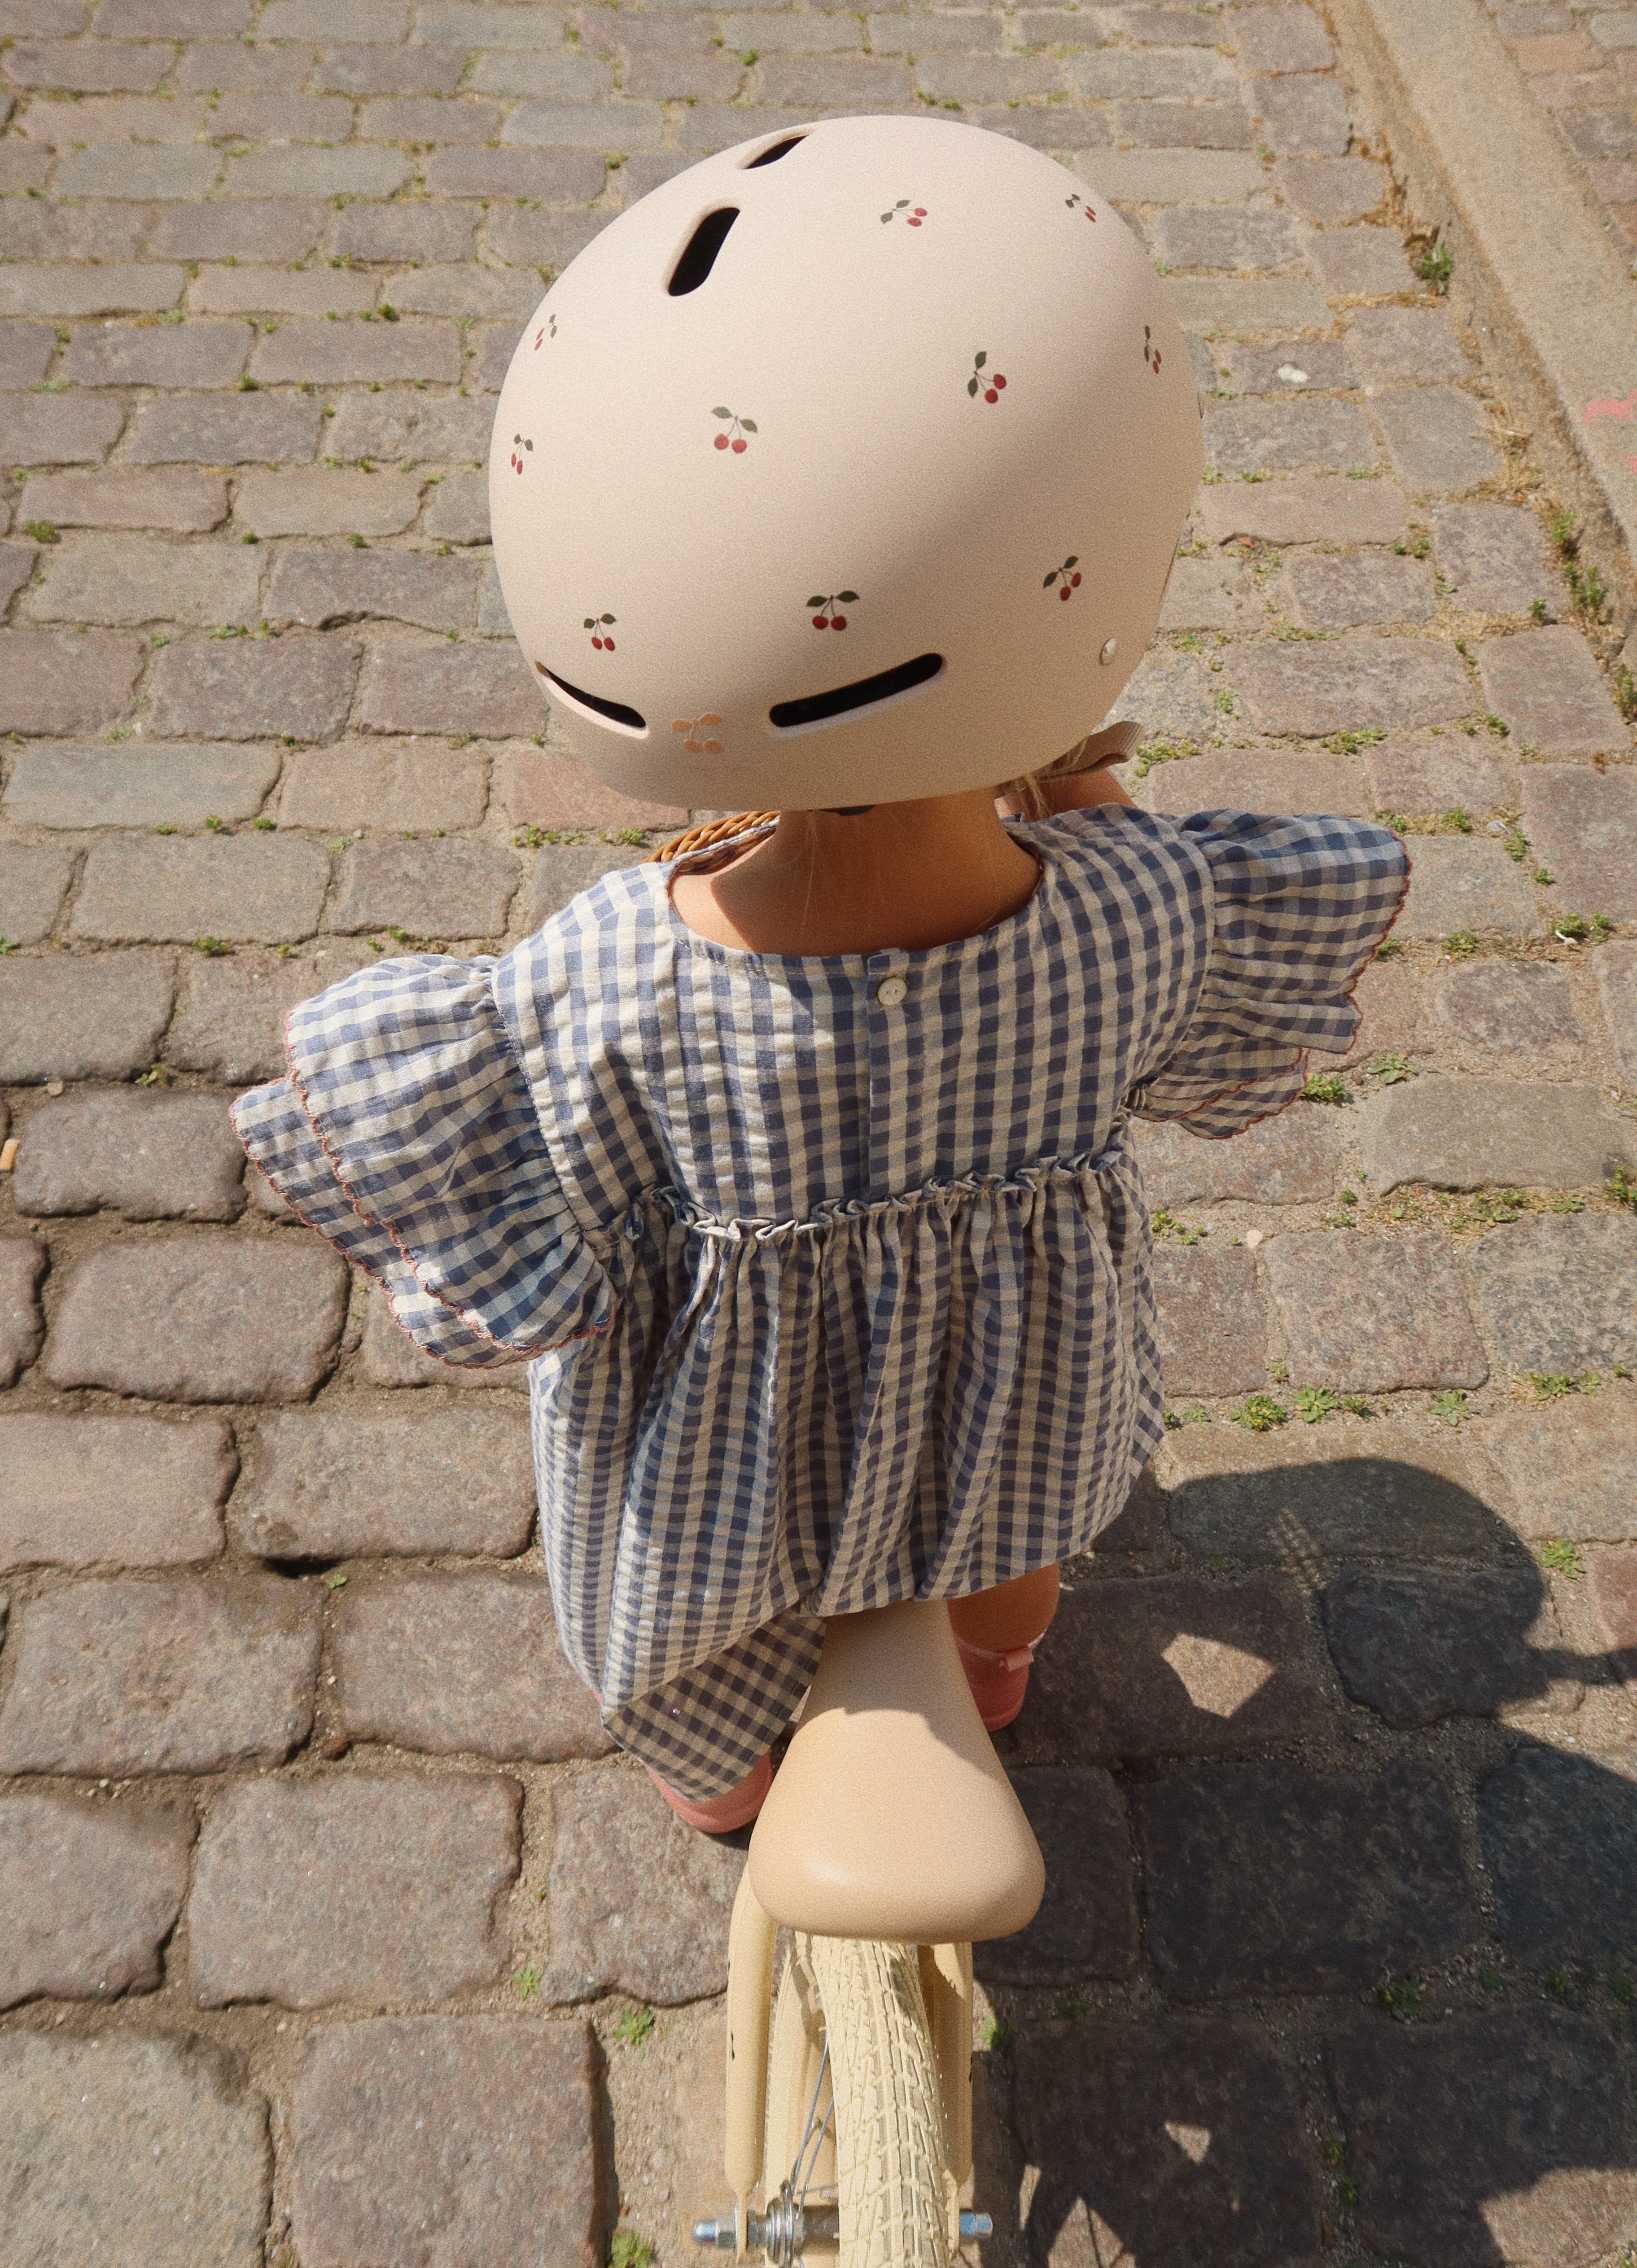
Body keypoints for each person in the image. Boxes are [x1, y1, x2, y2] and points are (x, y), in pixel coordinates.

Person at [232, 115, 1408, 1834]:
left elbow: (523, 1246)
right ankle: (996, 1671)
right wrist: (1071, 773)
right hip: (1014, 1445)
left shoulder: (604, 979)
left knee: (685, 1649)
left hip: (734, 1496)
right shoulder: (1142, 912)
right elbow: (1151, 885)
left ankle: (722, 1779)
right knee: (1020, 1563)